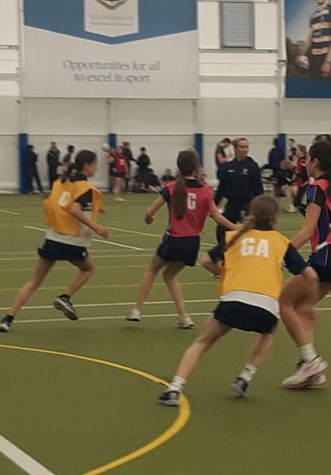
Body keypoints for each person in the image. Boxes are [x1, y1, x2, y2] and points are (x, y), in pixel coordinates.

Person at [158, 196, 317, 405]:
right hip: (265, 306)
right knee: (268, 332)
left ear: (251, 213)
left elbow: (205, 260)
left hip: (232, 300)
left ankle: (175, 388)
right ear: (275, 219)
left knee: (202, 342)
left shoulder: (234, 236)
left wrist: (224, 272)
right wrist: (308, 301)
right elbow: (311, 275)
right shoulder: (281, 242)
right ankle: (245, 376)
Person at [0, 150, 108, 332]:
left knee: (35, 281)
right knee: (88, 269)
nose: (96, 168)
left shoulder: (62, 182)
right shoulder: (85, 187)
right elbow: (74, 209)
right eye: (95, 164)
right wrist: (97, 228)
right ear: (87, 166)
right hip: (72, 241)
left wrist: (97, 208)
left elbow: (58, 203)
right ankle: (65, 297)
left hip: (53, 238)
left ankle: (8, 318)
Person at [127, 149, 238, 327]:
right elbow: (217, 216)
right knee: (170, 276)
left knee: (152, 270)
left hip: (174, 239)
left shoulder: (172, 188)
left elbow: (150, 212)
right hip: (192, 243)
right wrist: (237, 228)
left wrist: (149, 219)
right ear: (196, 168)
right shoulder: (206, 191)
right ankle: (184, 317)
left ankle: (137, 309)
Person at [278, 139, 331, 389]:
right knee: (304, 309)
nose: (305, 164)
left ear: (314, 162)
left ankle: (310, 360)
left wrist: (282, 253)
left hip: (324, 257)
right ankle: (310, 369)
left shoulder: (317, 189)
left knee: (285, 302)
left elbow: (307, 231)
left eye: (308, 159)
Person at [212, 138, 264, 258]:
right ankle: (224, 257)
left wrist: (260, 207)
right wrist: (213, 205)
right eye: (242, 147)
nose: (245, 149)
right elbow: (222, 189)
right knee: (221, 230)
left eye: (246, 146)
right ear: (235, 149)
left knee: (248, 232)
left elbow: (258, 188)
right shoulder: (228, 167)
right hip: (232, 204)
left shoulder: (252, 166)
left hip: (248, 204)